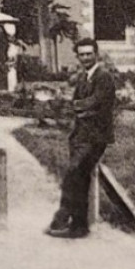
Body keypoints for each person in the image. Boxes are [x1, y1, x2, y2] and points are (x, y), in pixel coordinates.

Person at [47, 38, 115, 239]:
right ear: (78, 57)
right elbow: (79, 103)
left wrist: (77, 107)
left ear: (96, 54)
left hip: (96, 137)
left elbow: (96, 102)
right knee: (80, 180)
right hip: (80, 136)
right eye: (82, 54)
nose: (86, 57)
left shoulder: (104, 77)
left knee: (73, 173)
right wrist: (74, 107)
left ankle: (62, 215)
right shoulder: (83, 78)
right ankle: (79, 227)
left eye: (89, 53)